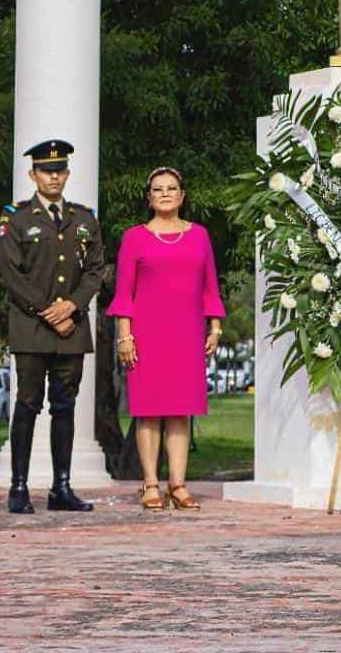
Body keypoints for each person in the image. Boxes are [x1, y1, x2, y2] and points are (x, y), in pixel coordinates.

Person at [0, 140, 105, 514]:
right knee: (27, 404)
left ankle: (61, 487)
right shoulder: (17, 219)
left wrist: (72, 306)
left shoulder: (84, 218)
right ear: (33, 175)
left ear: (68, 174)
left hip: (72, 327)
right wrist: (48, 311)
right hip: (32, 326)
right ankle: (19, 486)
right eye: (46, 170)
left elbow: (95, 270)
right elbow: (12, 273)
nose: (53, 176)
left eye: (59, 170)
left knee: (65, 406)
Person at [108, 167, 225, 510]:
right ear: (149, 197)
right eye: (158, 189)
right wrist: (124, 337)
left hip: (187, 334)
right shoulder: (134, 238)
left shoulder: (200, 235)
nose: (165, 194)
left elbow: (210, 287)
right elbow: (124, 293)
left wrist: (215, 328)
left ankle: (178, 484)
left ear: (182, 195)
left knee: (180, 410)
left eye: (172, 188)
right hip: (145, 334)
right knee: (148, 412)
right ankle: (150, 484)